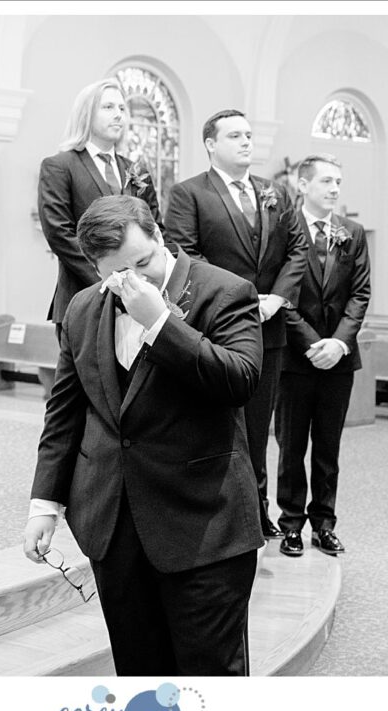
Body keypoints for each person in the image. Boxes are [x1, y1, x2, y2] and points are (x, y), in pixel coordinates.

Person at [23, 194, 264, 676]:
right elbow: (65, 413)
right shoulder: (82, 308)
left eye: (144, 262)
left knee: (210, 676)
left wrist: (160, 323)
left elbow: (240, 380)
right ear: (95, 269)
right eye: (118, 273)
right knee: (139, 672)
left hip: (203, 524)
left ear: (158, 237)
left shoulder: (226, 291)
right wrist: (45, 504)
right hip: (113, 526)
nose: (136, 280)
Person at [164, 109, 308, 541]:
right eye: (235, 136)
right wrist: (241, 296)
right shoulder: (189, 193)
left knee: (259, 427)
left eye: (248, 135)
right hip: (218, 326)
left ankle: (257, 509)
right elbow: (187, 254)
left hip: (269, 326)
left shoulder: (275, 193)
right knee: (219, 424)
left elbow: (298, 249)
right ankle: (219, 512)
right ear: (211, 144)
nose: (247, 142)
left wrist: (277, 297)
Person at [274, 153, 370, 559]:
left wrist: (339, 343)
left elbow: (360, 293)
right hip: (296, 358)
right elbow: (280, 293)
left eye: (338, 182)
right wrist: (314, 343)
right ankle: (291, 524)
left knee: (329, 447)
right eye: (326, 181)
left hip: (339, 359)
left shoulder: (353, 232)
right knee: (291, 446)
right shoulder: (283, 228)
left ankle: (324, 524)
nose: (334, 189)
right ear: (303, 185)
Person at [37, 78, 162, 340]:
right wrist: (112, 280)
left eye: (122, 108)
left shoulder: (136, 170)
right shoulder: (61, 166)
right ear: (86, 114)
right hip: (83, 295)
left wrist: (145, 279)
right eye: (108, 107)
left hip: (140, 300)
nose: (118, 114)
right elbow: (59, 233)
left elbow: (156, 228)